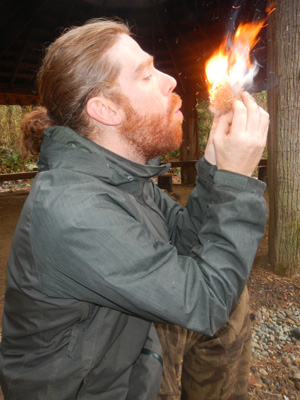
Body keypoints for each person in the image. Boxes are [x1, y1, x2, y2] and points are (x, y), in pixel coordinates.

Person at [0, 19, 269, 400]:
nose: (170, 80)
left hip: (122, 346)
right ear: (106, 110)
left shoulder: (123, 177)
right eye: (145, 75)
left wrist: (213, 167)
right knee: (221, 304)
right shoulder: (74, 211)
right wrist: (238, 182)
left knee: (234, 307)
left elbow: (185, 242)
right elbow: (206, 301)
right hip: (89, 389)